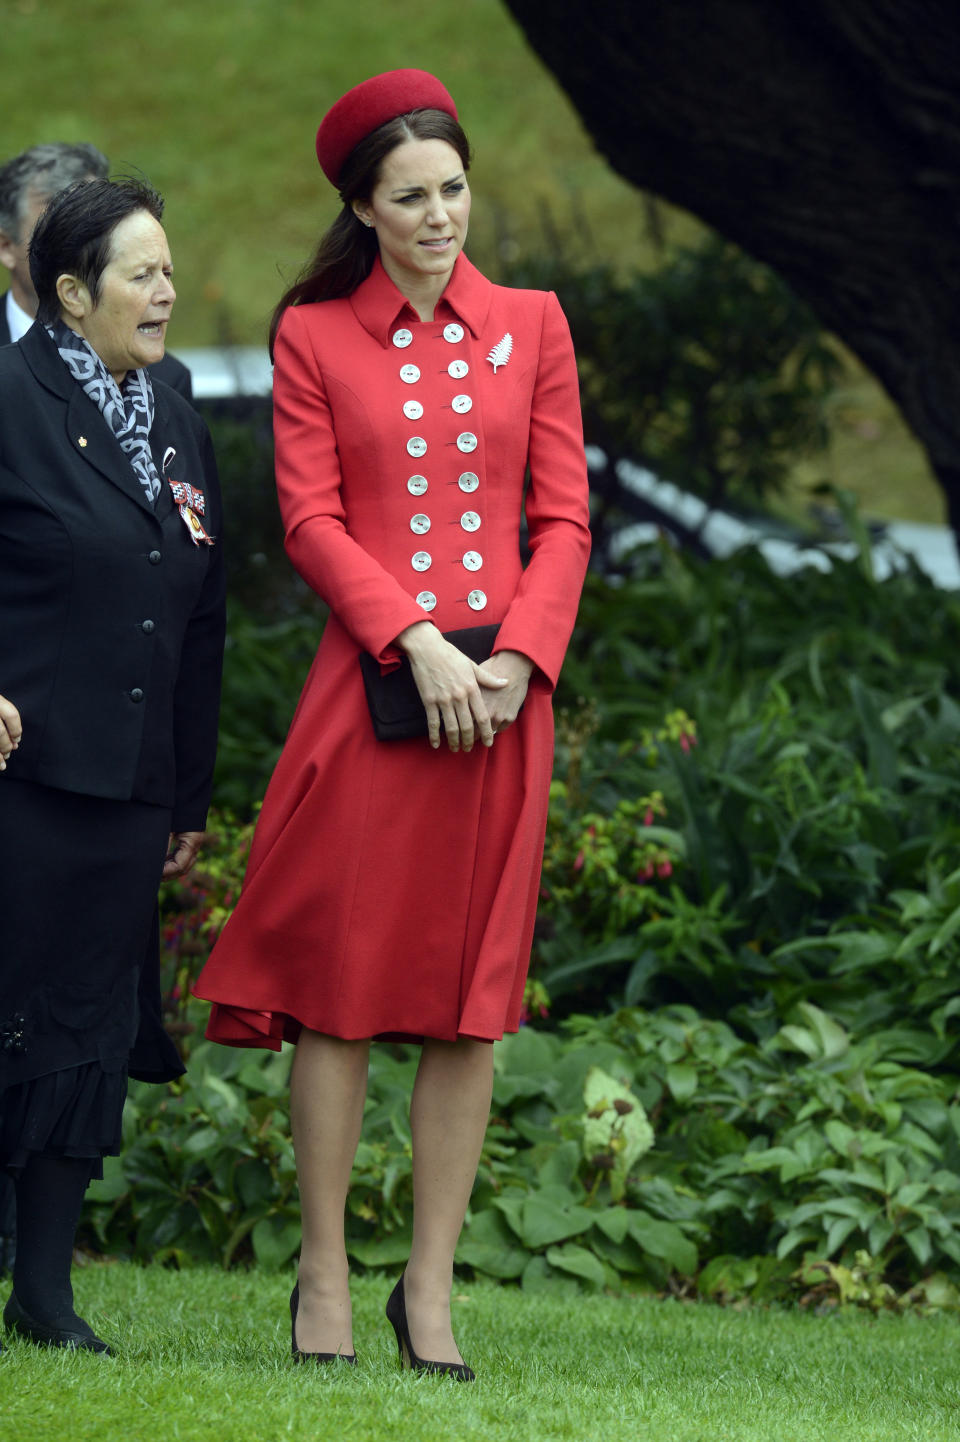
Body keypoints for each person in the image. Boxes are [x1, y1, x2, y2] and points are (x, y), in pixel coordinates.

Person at [193, 68, 590, 1377]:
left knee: (466, 1006)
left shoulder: (534, 323)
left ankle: (429, 1290)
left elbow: (564, 516)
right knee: (344, 996)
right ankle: (321, 1275)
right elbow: (308, 517)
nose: (440, 217)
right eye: (410, 196)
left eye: (455, 190)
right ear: (361, 206)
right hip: (370, 696)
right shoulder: (312, 338)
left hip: (501, 706)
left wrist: (520, 659)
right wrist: (414, 635)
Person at [0, 177, 225, 1353]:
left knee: (86, 1034)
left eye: (171, 269)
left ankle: (45, 1296)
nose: (167, 291)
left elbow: (202, 616)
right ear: (71, 292)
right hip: (21, 778)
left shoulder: (177, 408)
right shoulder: (8, 395)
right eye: (143, 273)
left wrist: (185, 794)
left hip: (128, 789)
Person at [0, 142, 193, 398]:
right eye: (55, 231)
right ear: (5, 246)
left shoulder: (168, 381)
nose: (78, 247)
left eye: (94, 228)